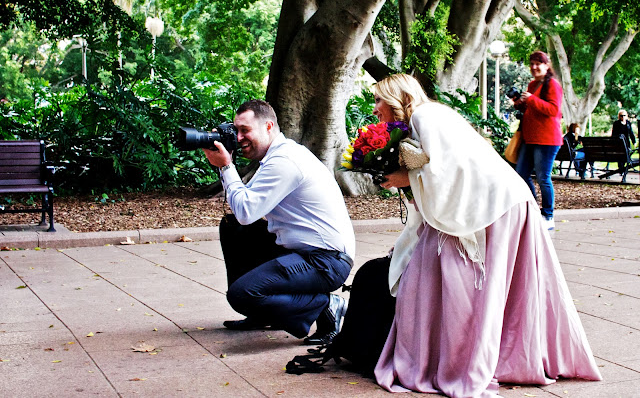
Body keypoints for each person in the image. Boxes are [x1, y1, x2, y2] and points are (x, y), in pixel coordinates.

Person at [370, 74, 602, 397]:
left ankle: (460, 361)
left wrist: (405, 179)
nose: (375, 107)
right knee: (470, 282)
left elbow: (445, 170)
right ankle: (485, 358)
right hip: (496, 204)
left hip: (497, 207)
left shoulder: (424, 115)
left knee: (468, 285)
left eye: (379, 99)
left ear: (398, 97)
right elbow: (445, 170)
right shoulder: (425, 118)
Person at [203, 99, 355, 345]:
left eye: (245, 130)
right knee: (234, 228)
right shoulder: (276, 157)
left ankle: (327, 305)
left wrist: (227, 166)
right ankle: (261, 313)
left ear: (268, 127)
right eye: (236, 130)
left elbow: (246, 211)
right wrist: (224, 165)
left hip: (325, 261)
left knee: (241, 295)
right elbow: (245, 205)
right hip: (301, 252)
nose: (239, 138)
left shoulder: (285, 161)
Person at [512, 51, 563, 230]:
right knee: (521, 174)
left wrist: (532, 99)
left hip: (547, 140)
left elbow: (554, 110)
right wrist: (520, 103)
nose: (534, 67)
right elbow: (531, 108)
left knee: (543, 177)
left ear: (546, 66)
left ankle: (548, 216)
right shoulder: (533, 84)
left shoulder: (552, 84)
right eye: (531, 64)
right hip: (529, 138)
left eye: (538, 64)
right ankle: (533, 211)